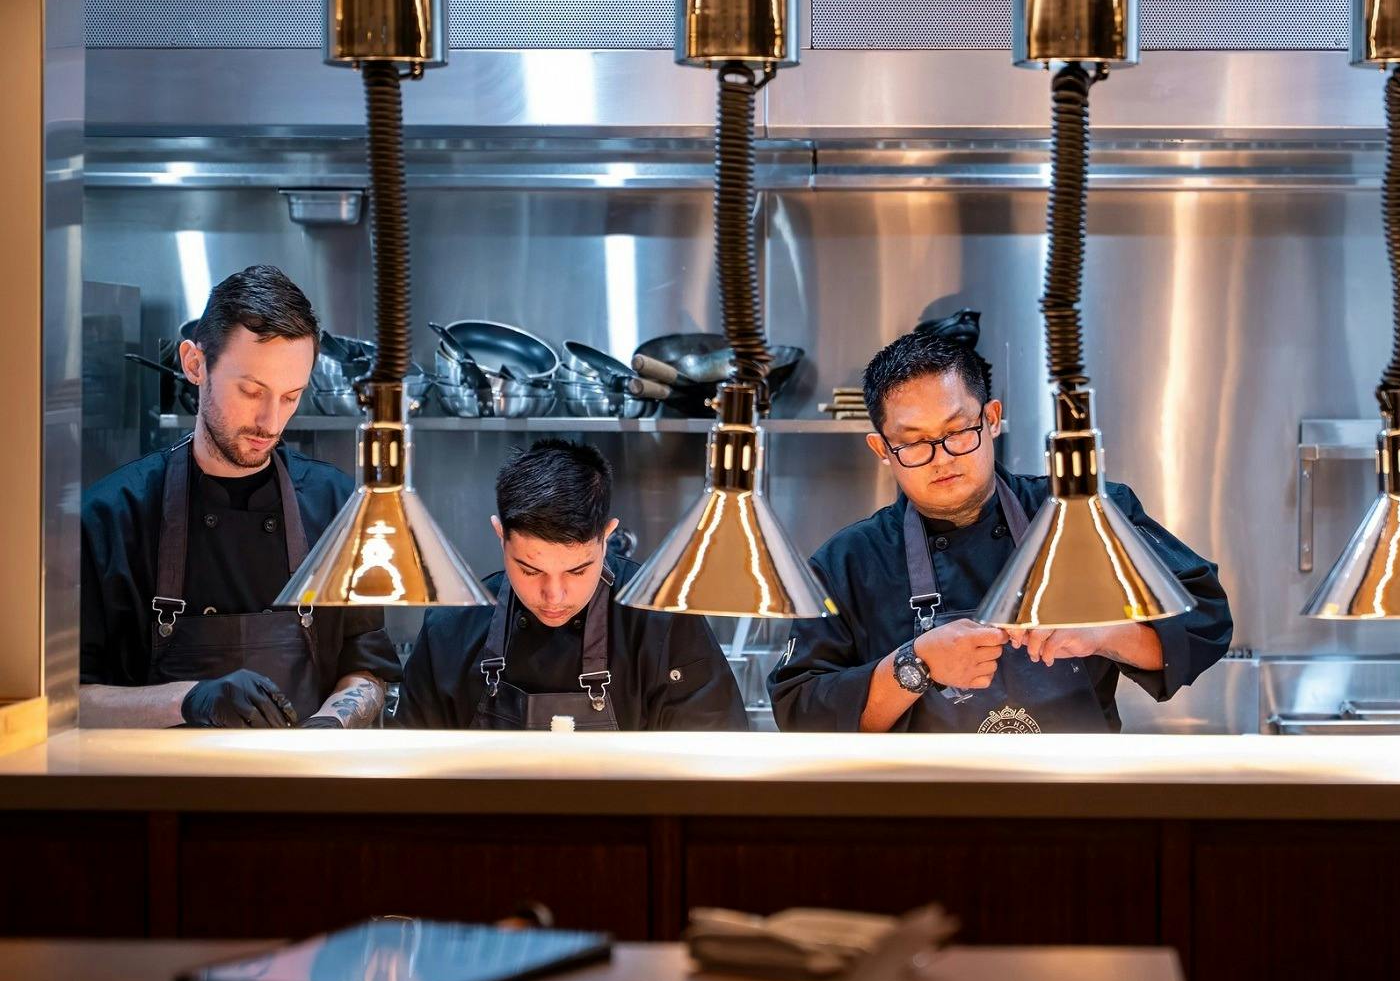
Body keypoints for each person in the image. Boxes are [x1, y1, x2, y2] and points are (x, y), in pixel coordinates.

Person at [771, 332, 1232, 733]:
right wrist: (915, 665)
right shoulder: (848, 562)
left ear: (991, 419)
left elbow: (1206, 623)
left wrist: (1102, 632)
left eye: (958, 431)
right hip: (925, 817)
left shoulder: (1083, 517)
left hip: (1077, 808)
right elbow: (800, 713)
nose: (943, 457)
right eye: (913, 442)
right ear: (882, 449)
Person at [80, 265, 401, 728]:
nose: (271, 422)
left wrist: (332, 724)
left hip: (304, 785)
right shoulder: (113, 516)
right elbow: (68, 704)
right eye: (252, 391)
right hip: (163, 793)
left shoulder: (336, 505)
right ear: (195, 365)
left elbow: (369, 670)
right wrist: (189, 700)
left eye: (291, 397)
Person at [396, 438, 749, 731]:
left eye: (577, 571)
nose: (554, 595)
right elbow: (412, 778)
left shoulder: (663, 621)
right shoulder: (450, 631)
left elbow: (712, 772)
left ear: (607, 537)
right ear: (500, 536)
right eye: (530, 570)